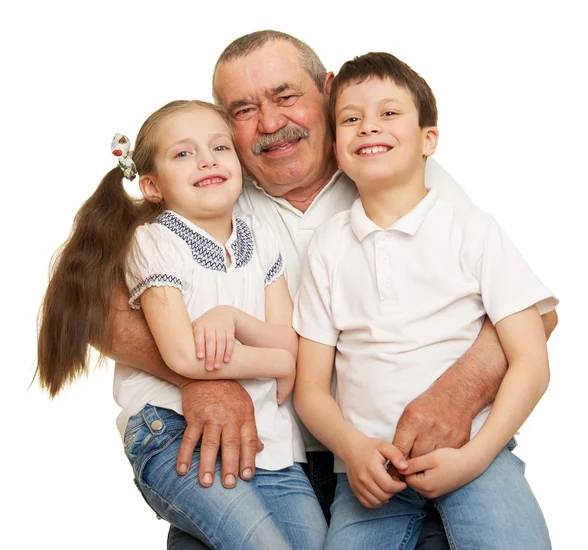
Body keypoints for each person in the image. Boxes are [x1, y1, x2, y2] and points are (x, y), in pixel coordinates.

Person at [103, 31, 558, 549]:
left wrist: (455, 397)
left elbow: (530, 317)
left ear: (327, 89)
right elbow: (92, 311)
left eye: (286, 96)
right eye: (245, 109)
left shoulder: (392, 168)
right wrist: (199, 376)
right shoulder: (207, 182)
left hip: (405, 455)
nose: (271, 123)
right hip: (243, 454)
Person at [292, 52, 557, 549]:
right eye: (351, 118)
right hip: (369, 475)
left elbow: (531, 361)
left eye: (389, 113)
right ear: (336, 145)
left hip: (477, 456)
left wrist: (476, 456)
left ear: (428, 139)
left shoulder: (472, 230)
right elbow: (310, 388)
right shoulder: (327, 248)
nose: (369, 127)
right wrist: (353, 448)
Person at [36, 99, 328, 550]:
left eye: (220, 147)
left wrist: (231, 319)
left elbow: (287, 341)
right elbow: (185, 356)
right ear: (151, 186)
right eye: (183, 153)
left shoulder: (261, 238)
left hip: (273, 446)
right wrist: (277, 361)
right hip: (173, 431)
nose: (207, 159)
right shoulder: (154, 242)